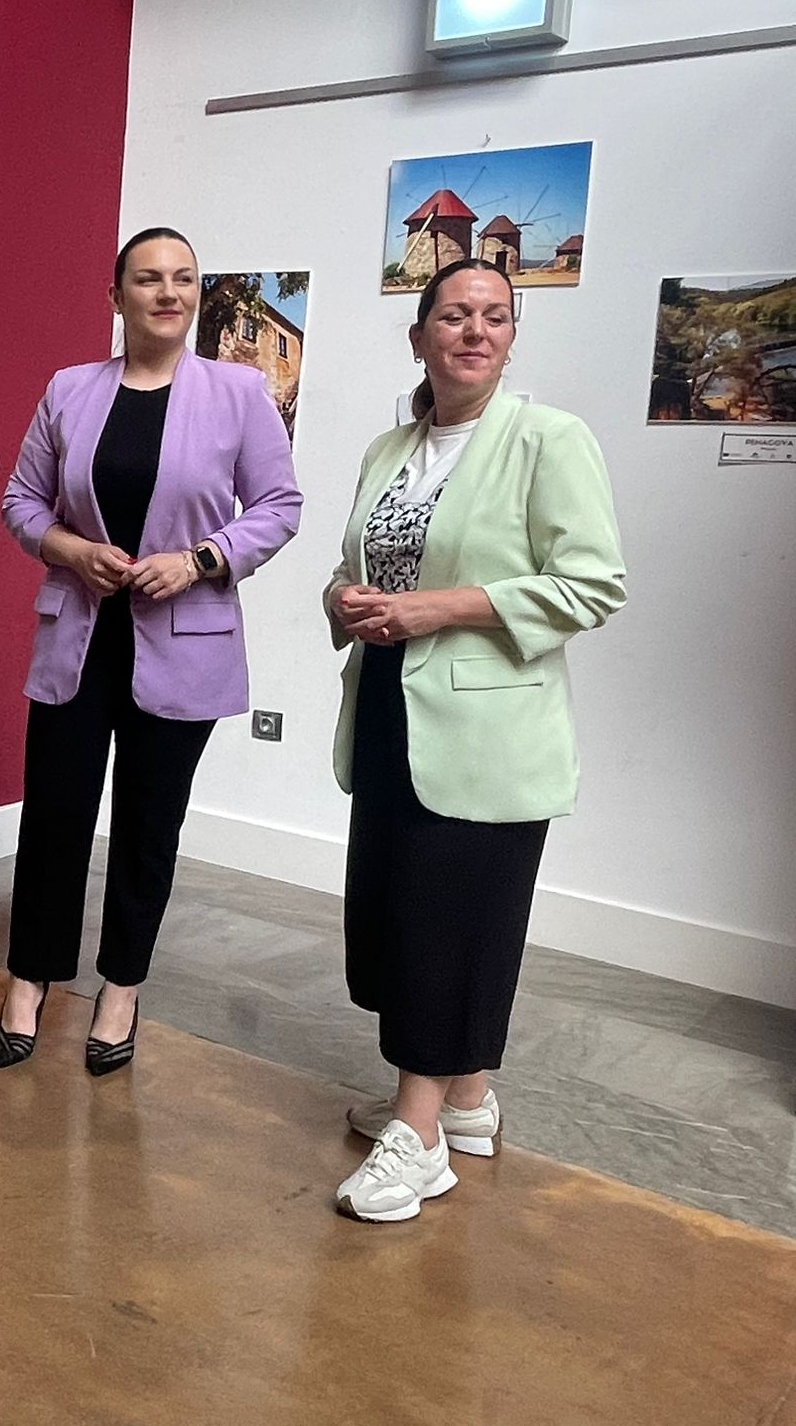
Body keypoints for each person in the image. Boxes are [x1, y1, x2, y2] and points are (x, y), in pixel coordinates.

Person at [327, 259, 626, 1223]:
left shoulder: (549, 440)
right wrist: (344, 599)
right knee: (394, 916)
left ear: (512, 338)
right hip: (388, 709)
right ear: (419, 335)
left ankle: (416, 1138)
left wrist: (440, 608)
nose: (475, 331)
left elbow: (593, 584)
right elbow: (355, 563)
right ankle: (464, 1101)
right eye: (454, 315)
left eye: (495, 316)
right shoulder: (390, 448)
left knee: (445, 925)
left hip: (491, 727)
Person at [0, 227, 303, 1073]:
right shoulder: (70, 389)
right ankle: (30, 976)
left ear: (196, 293)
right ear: (116, 296)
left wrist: (200, 559)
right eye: (148, 278)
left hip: (184, 641)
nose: (168, 292)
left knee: (147, 826)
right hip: (79, 636)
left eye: (184, 278)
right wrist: (71, 549)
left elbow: (278, 505)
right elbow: (22, 502)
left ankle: (121, 988)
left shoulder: (239, 392)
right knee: (53, 817)